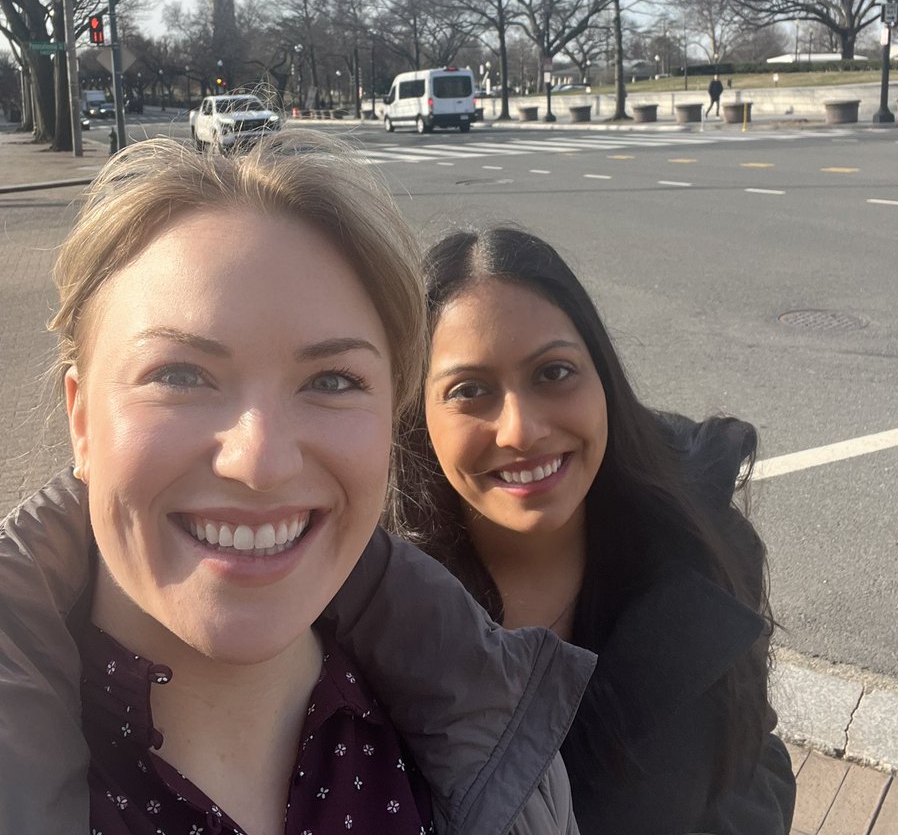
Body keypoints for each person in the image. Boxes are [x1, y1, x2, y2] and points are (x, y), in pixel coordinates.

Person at [0, 138, 594, 835]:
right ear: (82, 421)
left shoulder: (497, 740)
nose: (261, 462)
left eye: (332, 381)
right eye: (179, 376)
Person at [388, 226, 797, 835]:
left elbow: (750, 762)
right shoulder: (378, 614)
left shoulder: (696, 548)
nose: (521, 430)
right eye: (469, 391)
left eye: (553, 373)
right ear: (419, 415)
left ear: (602, 378)